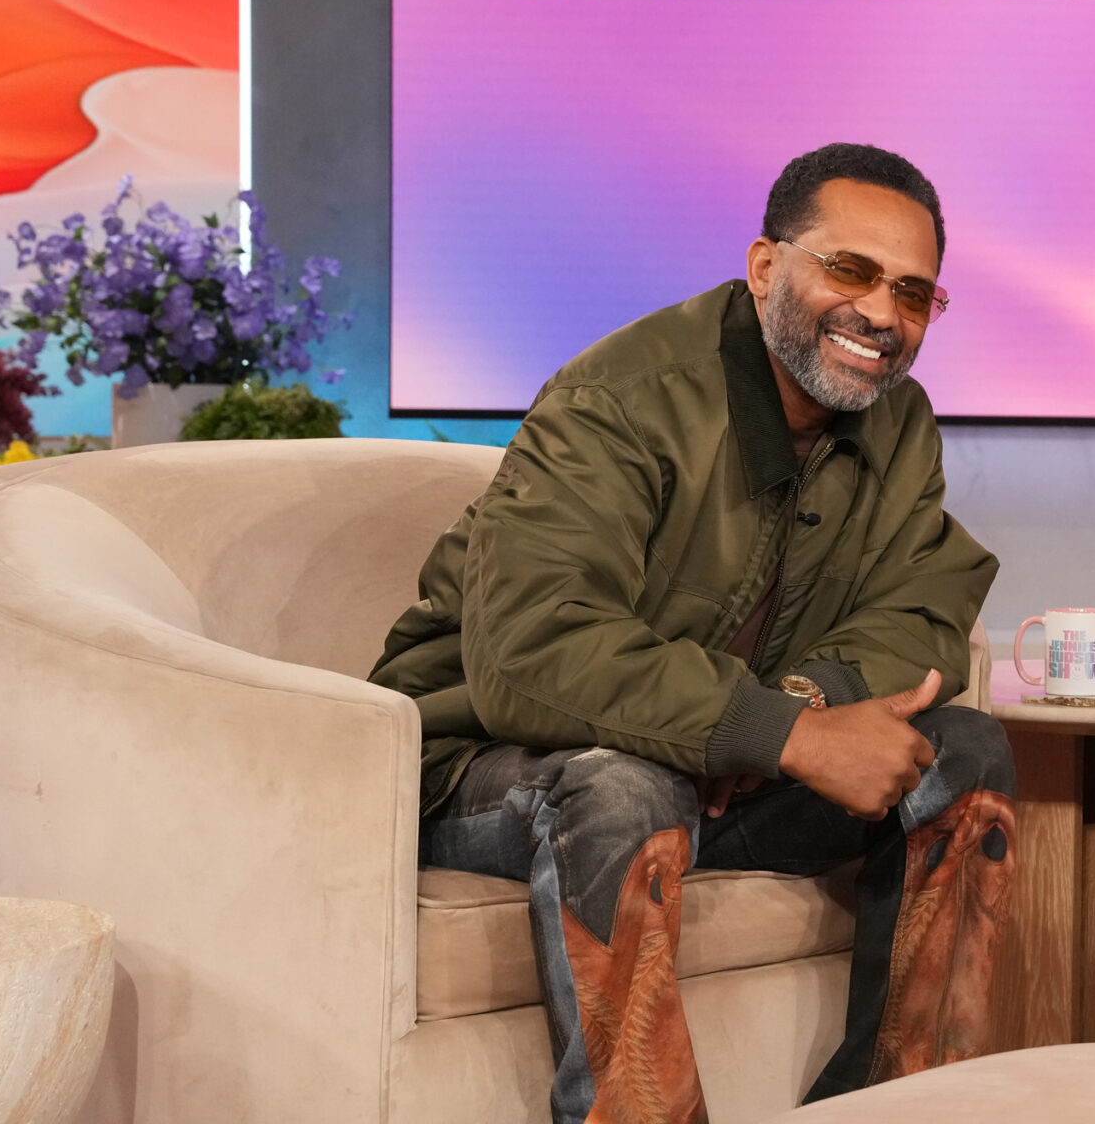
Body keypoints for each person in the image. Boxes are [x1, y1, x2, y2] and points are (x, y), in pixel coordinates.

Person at [368, 143, 1012, 1124]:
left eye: (914, 293)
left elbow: (925, 603)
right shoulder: (619, 400)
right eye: (850, 269)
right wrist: (784, 737)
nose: (883, 314)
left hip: (712, 768)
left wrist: (794, 712)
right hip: (483, 761)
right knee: (624, 787)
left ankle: (892, 1107)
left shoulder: (898, 420)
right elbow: (532, 651)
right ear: (765, 266)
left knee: (962, 751)